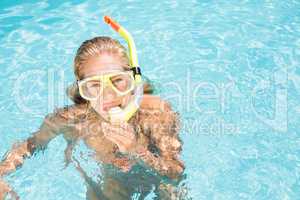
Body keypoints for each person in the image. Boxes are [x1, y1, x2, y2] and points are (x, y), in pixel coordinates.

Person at [0, 28, 186, 200]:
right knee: (109, 188)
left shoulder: (155, 113)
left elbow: (175, 173)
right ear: (82, 90)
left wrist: (137, 150)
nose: (108, 94)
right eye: (95, 85)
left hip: (155, 176)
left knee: (172, 192)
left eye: (118, 81)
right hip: (110, 184)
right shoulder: (72, 120)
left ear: (133, 80)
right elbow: (30, 145)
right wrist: (1, 173)